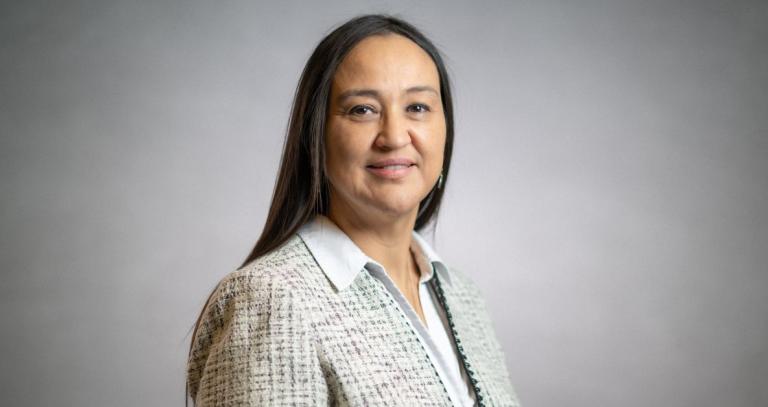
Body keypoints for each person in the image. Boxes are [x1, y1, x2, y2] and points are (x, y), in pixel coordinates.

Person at [186, 14, 521, 406]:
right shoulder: (271, 300)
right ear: (316, 135)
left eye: (417, 107)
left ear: (445, 130)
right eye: (362, 110)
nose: (394, 137)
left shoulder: (462, 297)